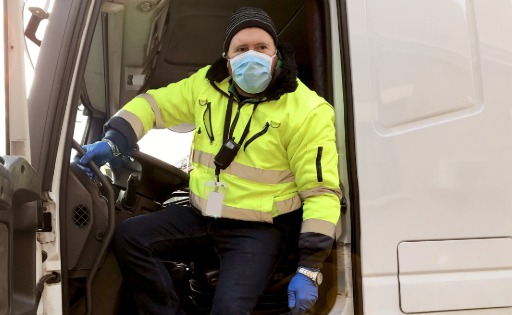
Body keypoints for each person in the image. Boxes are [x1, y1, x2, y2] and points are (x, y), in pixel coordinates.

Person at [78, 7, 341, 315]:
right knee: (129, 237)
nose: (251, 56)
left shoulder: (308, 109)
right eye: (241, 49)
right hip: (204, 216)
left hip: (257, 230)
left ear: (276, 54)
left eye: (261, 47)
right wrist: (115, 139)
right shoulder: (206, 86)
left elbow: (321, 193)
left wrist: (310, 267)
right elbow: (153, 104)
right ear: (227, 60)